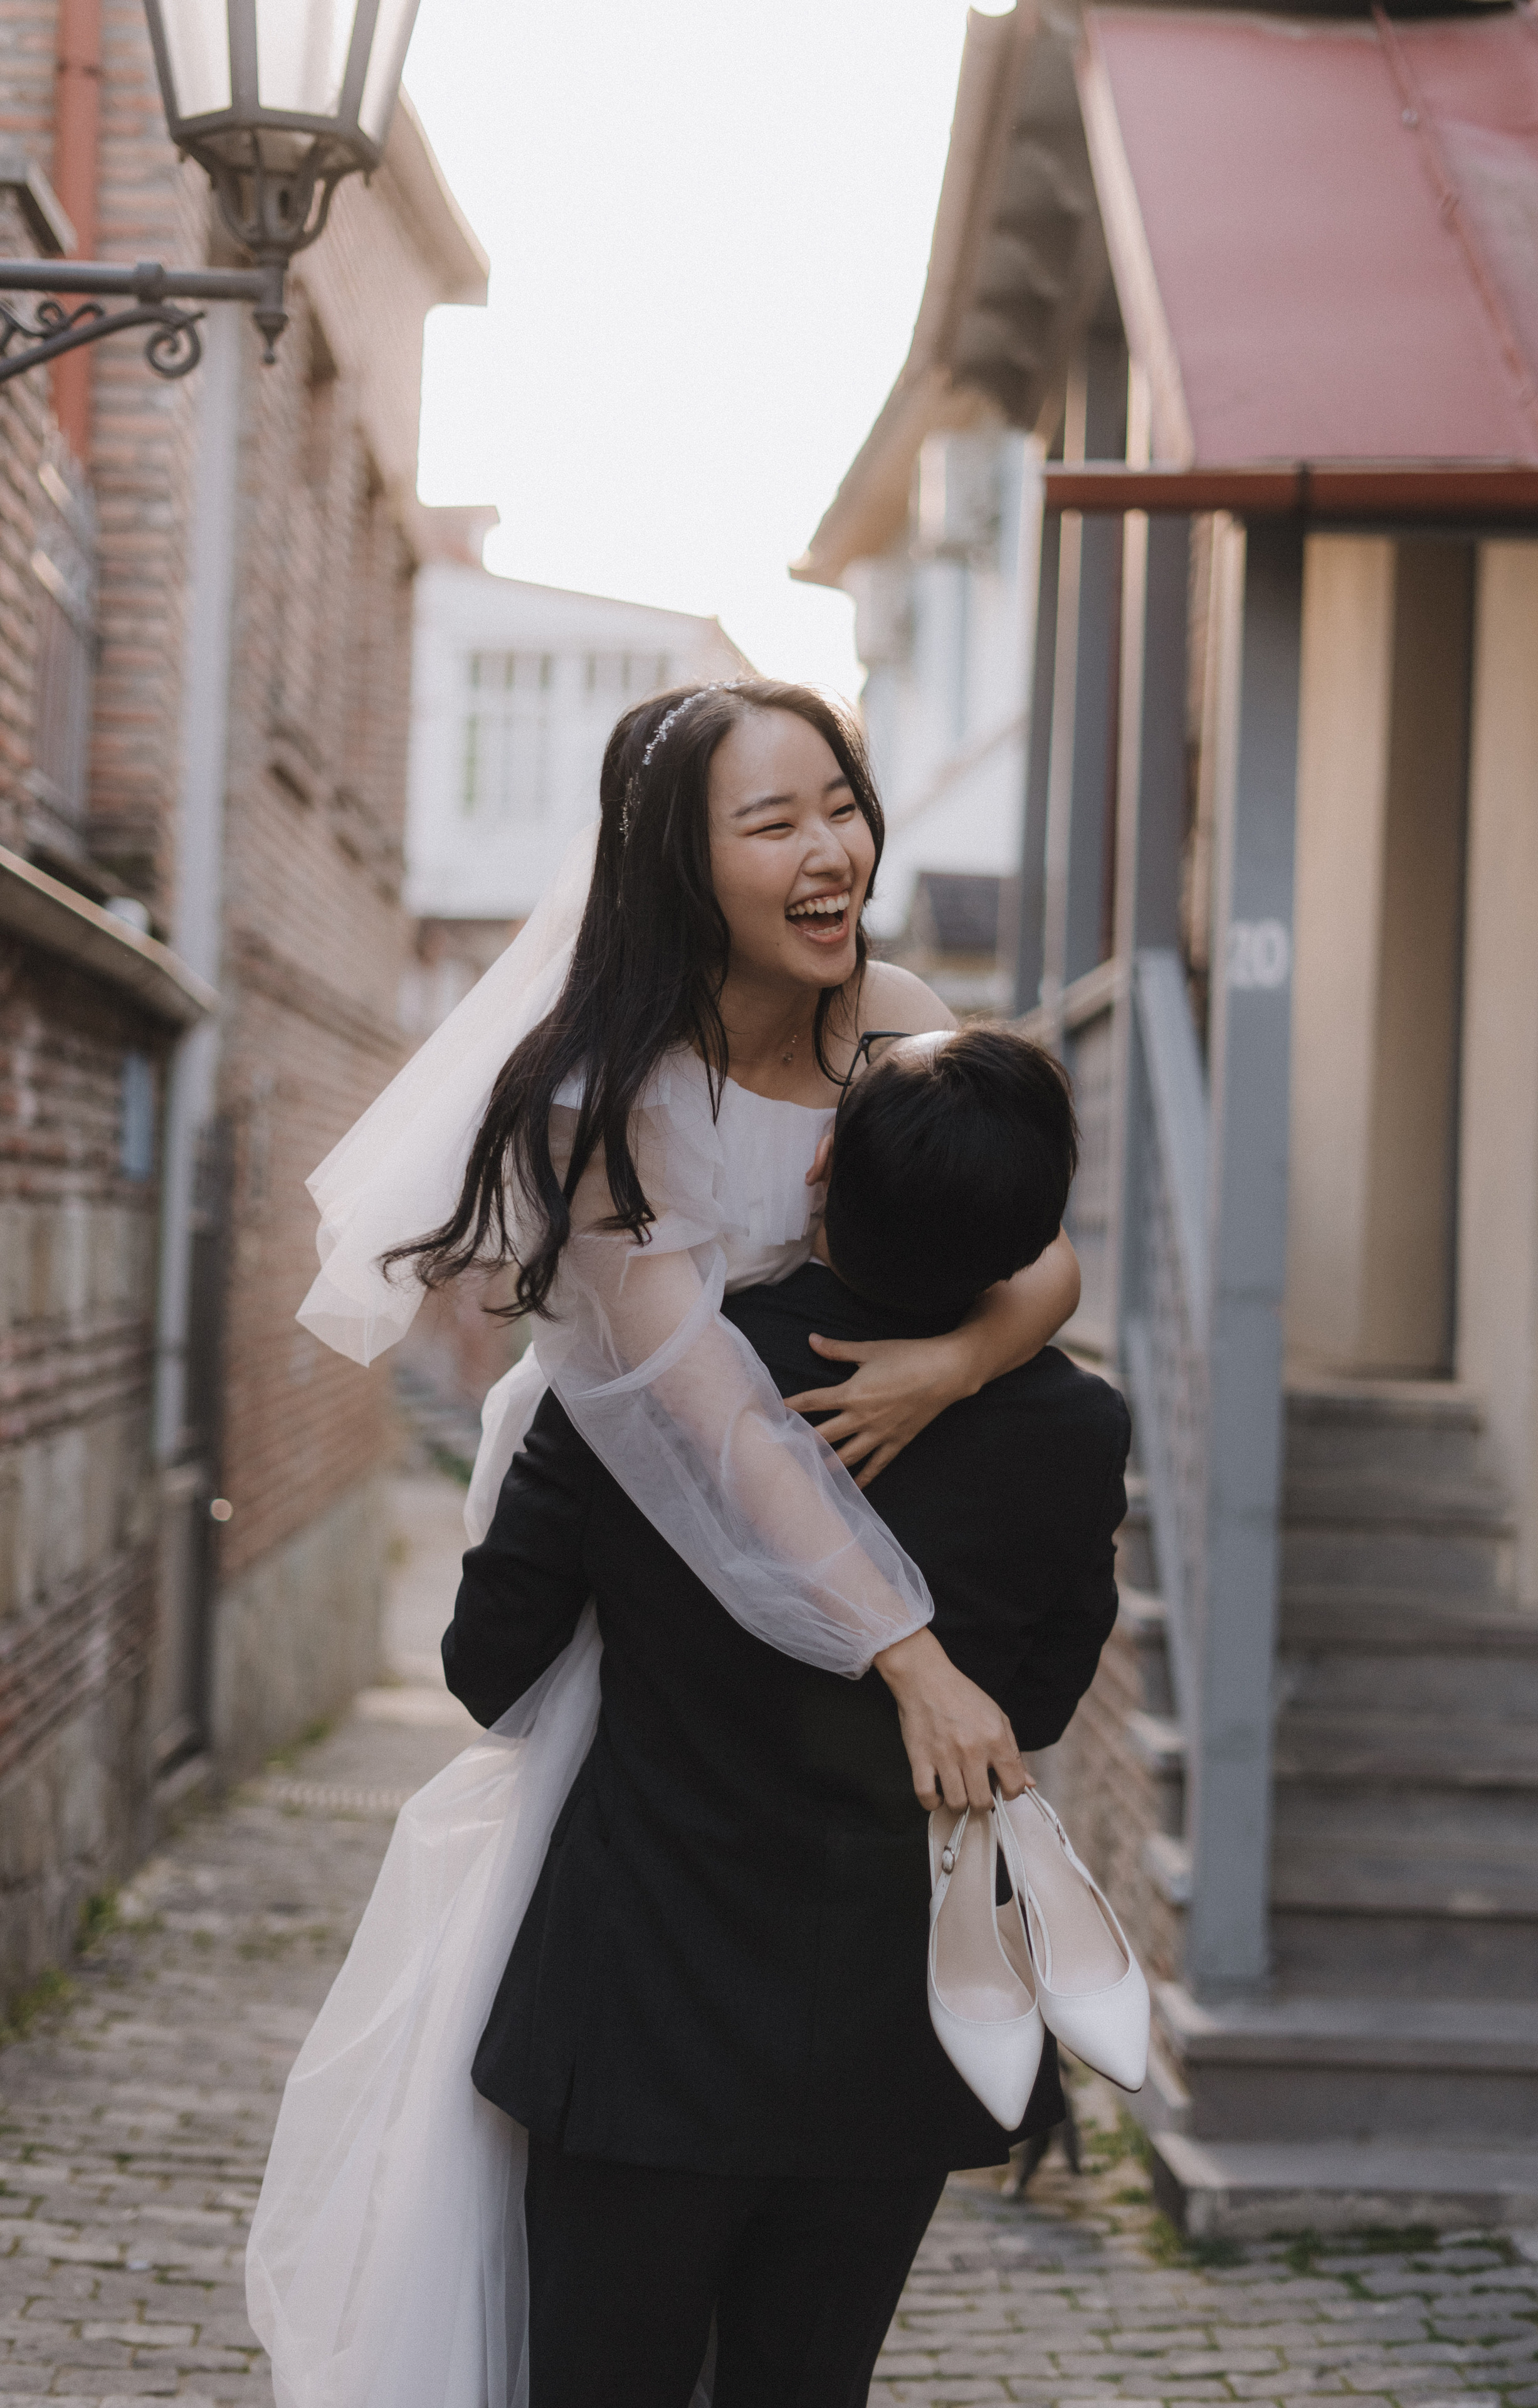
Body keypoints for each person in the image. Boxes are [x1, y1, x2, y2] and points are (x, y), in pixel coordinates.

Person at [247, 682, 1082, 2408]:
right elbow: (709, 1421)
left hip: (833, 1481)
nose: (829, 849)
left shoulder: (901, 1016)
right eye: (771, 824)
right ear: (677, 868)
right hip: (650, 1481)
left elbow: (1034, 1241)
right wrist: (916, 1660)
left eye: (839, 803)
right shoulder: (602, 1102)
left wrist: (962, 1356)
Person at [444, 1025, 1132, 2408]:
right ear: (1030, 1233)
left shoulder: (652, 1384)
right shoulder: (1073, 1432)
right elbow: (1033, 1704)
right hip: (885, 2051)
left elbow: (487, 1665)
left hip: (637, 2020)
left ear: (818, 1164)